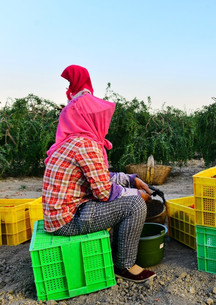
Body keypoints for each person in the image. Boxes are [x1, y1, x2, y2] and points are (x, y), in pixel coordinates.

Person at [42, 65, 156, 283]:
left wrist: (131, 180)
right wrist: (135, 194)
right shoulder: (87, 145)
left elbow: (98, 177)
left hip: (58, 217)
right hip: (67, 221)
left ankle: (118, 254)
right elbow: (103, 192)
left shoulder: (70, 141)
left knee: (127, 196)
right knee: (134, 205)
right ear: (89, 119)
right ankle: (125, 265)